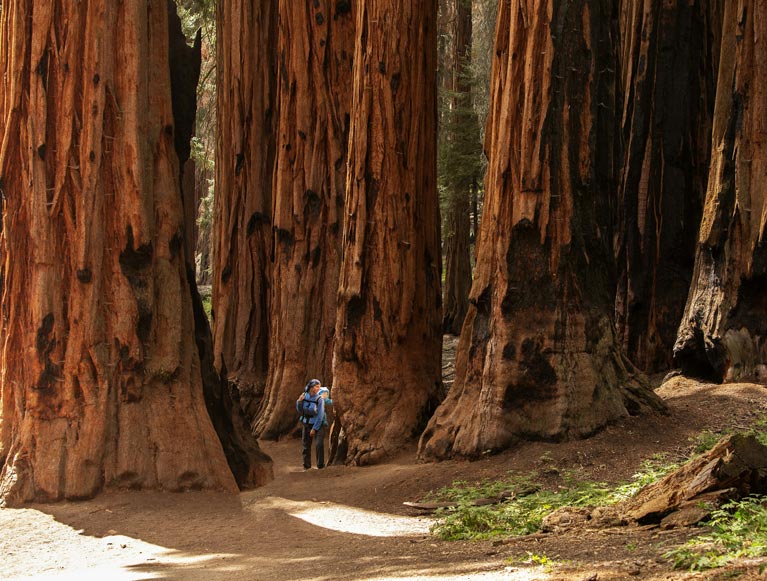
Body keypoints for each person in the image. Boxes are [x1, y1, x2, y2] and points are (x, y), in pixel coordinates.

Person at [297, 379, 326, 470]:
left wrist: (314, 428)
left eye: (319, 386)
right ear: (311, 387)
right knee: (306, 445)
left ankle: (320, 465)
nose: (318, 388)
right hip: (306, 424)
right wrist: (299, 402)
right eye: (316, 386)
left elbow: (320, 415)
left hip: (318, 425)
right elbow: (300, 410)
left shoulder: (320, 399)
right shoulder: (304, 396)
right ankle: (306, 466)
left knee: (319, 444)